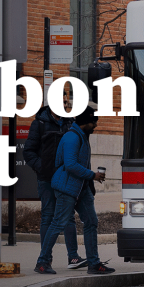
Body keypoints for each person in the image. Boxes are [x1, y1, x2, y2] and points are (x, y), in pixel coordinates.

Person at [35, 107, 115, 275]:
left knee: (91, 221)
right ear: (86, 122)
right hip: (67, 188)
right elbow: (70, 165)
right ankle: (42, 262)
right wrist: (92, 175)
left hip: (81, 187)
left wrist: (89, 180)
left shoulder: (82, 136)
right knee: (58, 223)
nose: (95, 126)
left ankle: (93, 263)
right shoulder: (72, 137)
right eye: (94, 123)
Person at [22, 103, 85, 270]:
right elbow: (28, 152)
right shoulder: (40, 123)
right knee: (48, 216)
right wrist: (42, 167)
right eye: (62, 103)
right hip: (47, 178)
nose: (65, 106)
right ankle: (44, 260)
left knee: (69, 216)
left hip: (65, 178)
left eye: (67, 103)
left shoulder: (70, 123)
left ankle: (73, 258)